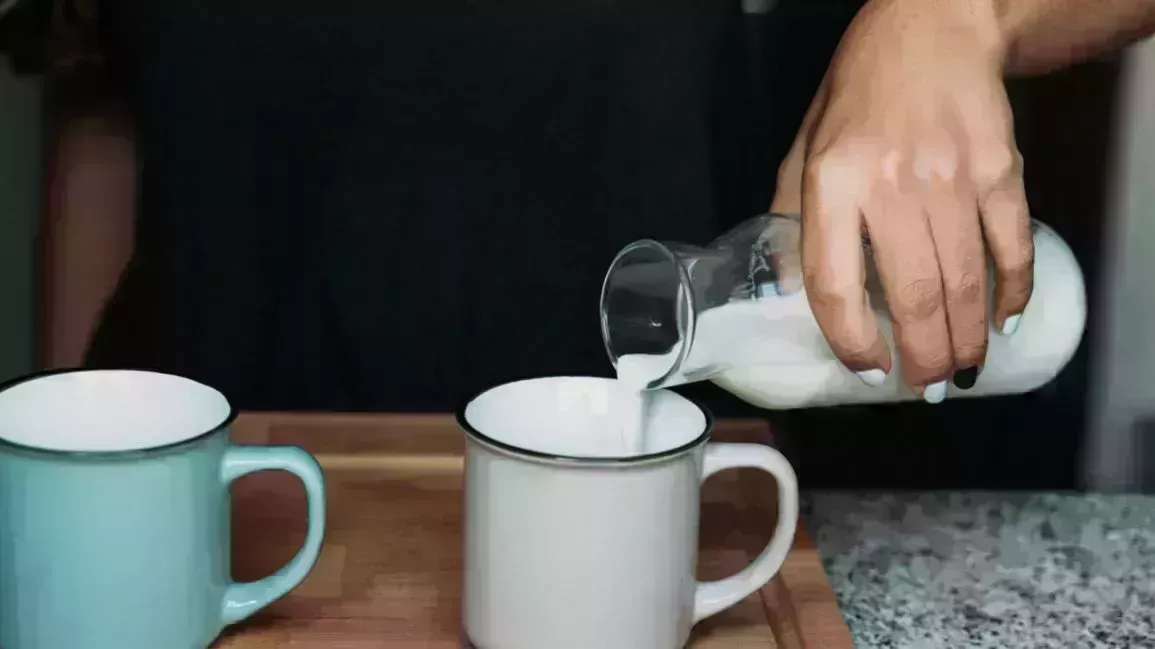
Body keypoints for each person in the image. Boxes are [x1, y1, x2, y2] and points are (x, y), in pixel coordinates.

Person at [28, 0, 1155, 413]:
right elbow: (104, 115)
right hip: (203, 489)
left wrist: (958, 14)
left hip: (635, 498)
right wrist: (63, 456)